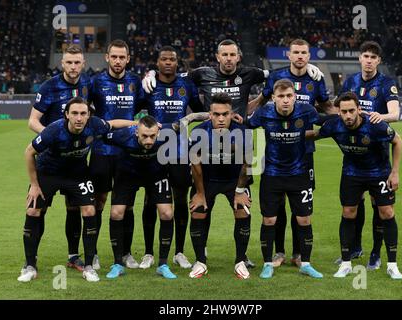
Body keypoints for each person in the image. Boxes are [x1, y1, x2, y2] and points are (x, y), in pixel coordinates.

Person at [143, 39, 322, 268]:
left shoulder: (249, 73)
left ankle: (242, 256)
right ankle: (201, 252)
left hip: (239, 146)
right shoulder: (202, 74)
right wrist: (150, 73)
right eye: (224, 54)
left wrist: (305, 71)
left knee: (242, 205)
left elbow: (276, 73)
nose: (228, 58)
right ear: (217, 57)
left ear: (239, 57)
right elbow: (172, 75)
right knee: (201, 204)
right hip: (209, 146)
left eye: (232, 54)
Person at [18, 97, 137, 282]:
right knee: (33, 210)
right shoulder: (54, 130)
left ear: (89, 115)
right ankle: (30, 266)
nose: (79, 118)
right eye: (74, 113)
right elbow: (29, 152)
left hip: (77, 174)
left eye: (83, 113)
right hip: (48, 173)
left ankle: (89, 266)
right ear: (66, 115)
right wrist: (34, 185)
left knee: (90, 210)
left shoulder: (95, 125)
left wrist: (137, 123)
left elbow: (113, 124)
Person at [248, 39, 336, 268]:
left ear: (309, 55)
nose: (299, 56)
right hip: (277, 154)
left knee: (300, 207)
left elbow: (326, 108)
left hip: (304, 153)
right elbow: (261, 102)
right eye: (295, 52)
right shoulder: (276, 77)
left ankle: (298, 254)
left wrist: (348, 115)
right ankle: (278, 252)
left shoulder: (316, 79)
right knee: (276, 206)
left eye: (304, 52)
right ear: (288, 55)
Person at [306, 92, 402, 280]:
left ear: (359, 109)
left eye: (351, 110)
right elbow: (316, 134)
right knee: (348, 212)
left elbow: (397, 140)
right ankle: (345, 264)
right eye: (344, 112)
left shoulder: (375, 124)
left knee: (387, 213)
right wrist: (290, 134)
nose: (348, 115)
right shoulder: (334, 125)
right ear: (338, 112)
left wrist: (395, 172)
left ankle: (392, 265)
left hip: (379, 172)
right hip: (352, 173)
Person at [247, 79, 323, 279]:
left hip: (299, 174)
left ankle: (305, 263)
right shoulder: (264, 113)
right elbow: (245, 124)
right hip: (272, 175)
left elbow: (328, 120)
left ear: (295, 97)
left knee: (304, 219)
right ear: (273, 98)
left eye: (289, 96)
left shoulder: (306, 111)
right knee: (269, 219)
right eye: (281, 96)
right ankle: (267, 264)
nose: (286, 100)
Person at [137, 46, 204, 270]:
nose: (168, 63)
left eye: (172, 59)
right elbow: (133, 112)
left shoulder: (186, 85)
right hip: (153, 152)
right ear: (157, 63)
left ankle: (179, 252)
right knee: (150, 200)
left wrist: (189, 123)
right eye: (163, 59)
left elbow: (202, 111)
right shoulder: (150, 86)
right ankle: (148, 253)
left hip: (179, 151)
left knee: (180, 199)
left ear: (177, 63)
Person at [27, 44, 92, 272]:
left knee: (74, 208)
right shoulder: (50, 86)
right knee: (37, 209)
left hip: (76, 163)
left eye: (77, 63)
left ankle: (74, 257)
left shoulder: (88, 84)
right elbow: (33, 120)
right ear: (62, 63)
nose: (73, 67)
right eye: (69, 62)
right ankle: (31, 261)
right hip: (50, 161)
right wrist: (53, 137)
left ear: (83, 64)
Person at [337, 41, 400, 269]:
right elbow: (339, 108)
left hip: (377, 157)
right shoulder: (350, 81)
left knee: (379, 206)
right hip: (353, 157)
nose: (369, 60)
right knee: (353, 205)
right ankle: (354, 247)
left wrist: (376, 117)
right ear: (360, 58)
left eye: (374, 57)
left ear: (379, 61)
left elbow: (395, 114)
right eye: (366, 56)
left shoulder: (386, 83)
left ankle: (376, 252)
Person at [89, 39, 145, 270]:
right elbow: (84, 110)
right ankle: (92, 253)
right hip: (102, 151)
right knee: (98, 202)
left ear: (128, 59)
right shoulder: (95, 82)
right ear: (107, 57)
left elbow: (144, 108)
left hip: (128, 153)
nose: (118, 61)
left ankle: (126, 253)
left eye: (122, 57)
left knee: (127, 205)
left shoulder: (135, 82)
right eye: (114, 57)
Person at [102, 115, 178, 279]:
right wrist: (133, 122)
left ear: (158, 132)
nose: (149, 140)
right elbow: (104, 129)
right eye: (144, 136)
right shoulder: (122, 136)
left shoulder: (167, 132)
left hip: (157, 174)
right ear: (136, 133)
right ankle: (117, 264)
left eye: (152, 136)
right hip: (127, 174)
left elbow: (187, 121)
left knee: (167, 213)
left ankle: (163, 264)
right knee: (116, 213)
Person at [188, 93, 252, 279]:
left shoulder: (242, 132)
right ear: (210, 114)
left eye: (225, 114)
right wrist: (200, 193)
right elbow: (195, 164)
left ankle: (240, 261)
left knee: (242, 209)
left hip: (234, 179)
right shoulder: (198, 132)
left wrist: (240, 192)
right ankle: (200, 261)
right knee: (198, 210)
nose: (221, 118)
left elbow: (247, 163)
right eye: (217, 114)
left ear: (232, 114)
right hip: (208, 179)